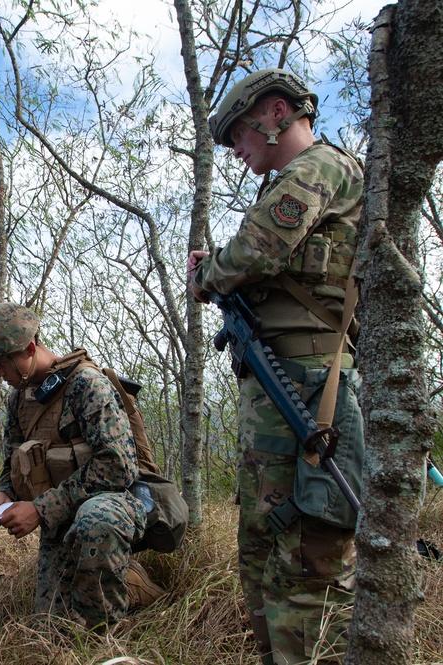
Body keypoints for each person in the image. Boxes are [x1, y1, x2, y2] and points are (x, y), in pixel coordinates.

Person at [188, 68, 364, 665]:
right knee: (261, 547)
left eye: (238, 134)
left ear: (277, 113)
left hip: (315, 385)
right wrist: (220, 268)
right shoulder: (284, 184)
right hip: (274, 385)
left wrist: (212, 273)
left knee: (309, 557)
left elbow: (259, 249)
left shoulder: (321, 167)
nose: (236, 152)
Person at [0, 302, 159, 628]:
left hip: (116, 506)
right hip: (63, 516)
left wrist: (41, 509)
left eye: (2, 364)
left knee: (96, 523)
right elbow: (12, 457)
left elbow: (119, 466)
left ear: (29, 348)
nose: (0, 375)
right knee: (50, 627)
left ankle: (111, 630)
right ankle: (118, 577)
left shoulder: (87, 384)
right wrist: (4, 493)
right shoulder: (20, 399)